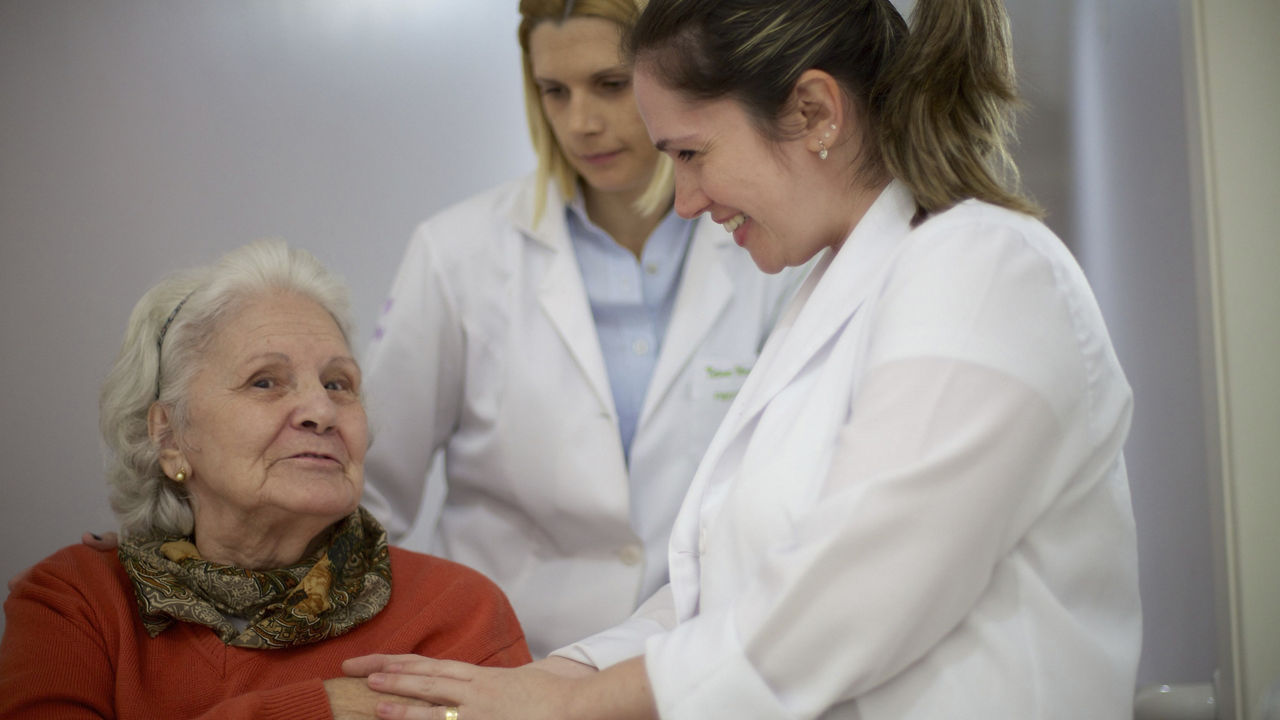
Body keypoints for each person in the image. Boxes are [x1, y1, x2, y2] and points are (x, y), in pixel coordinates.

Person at [341, 0, 1143, 718]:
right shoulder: (829, 292)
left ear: (814, 111)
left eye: (691, 154)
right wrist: (555, 676)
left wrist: (578, 703)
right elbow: (713, 587)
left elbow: (846, 601)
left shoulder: (982, 270)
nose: (684, 200)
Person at [360, 0, 806, 658]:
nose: (582, 123)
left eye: (611, 85)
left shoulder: (768, 251)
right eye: (553, 92)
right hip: (505, 664)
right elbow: (367, 492)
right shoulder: (456, 255)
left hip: (694, 666)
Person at [0, 240, 530, 720]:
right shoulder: (79, 600)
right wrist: (320, 710)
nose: (321, 410)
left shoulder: (458, 612)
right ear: (169, 436)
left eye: (338, 383)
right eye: (265, 381)